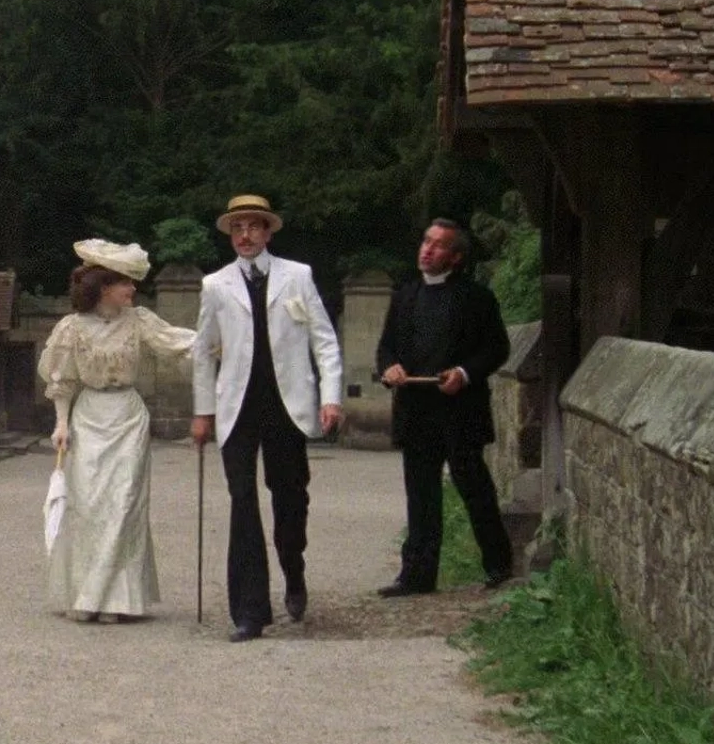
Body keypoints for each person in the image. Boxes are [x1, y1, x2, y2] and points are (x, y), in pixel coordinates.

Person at [190, 195, 344, 642]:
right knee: (242, 501)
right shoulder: (215, 285)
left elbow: (325, 341)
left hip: (285, 404)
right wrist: (203, 412)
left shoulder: (298, 276)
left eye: (253, 227)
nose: (244, 236)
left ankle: (293, 571)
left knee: (290, 499)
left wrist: (330, 397)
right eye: (237, 228)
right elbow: (203, 353)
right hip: (237, 406)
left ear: (268, 232)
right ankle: (250, 611)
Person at [40, 239, 195, 623]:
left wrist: (228, 341)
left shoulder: (139, 321)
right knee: (89, 506)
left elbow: (180, 344)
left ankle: (117, 600)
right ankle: (86, 594)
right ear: (103, 286)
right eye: (125, 282)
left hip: (127, 416)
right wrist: (61, 422)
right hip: (89, 415)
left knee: (124, 505)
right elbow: (62, 379)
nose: (132, 289)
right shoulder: (71, 328)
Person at [374, 218, 515, 597]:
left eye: (437, 245)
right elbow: (386, 348)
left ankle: (499, 566)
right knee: (420, 494)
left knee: (475, 488)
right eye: (425, 241)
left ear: (454, 257)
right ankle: (417, 575)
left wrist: (465, 373)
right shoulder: (405, 296)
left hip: (460, 410)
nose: (427, 249)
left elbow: (497, 348)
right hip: (416, 411)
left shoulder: (477, 299)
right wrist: (390, 369)